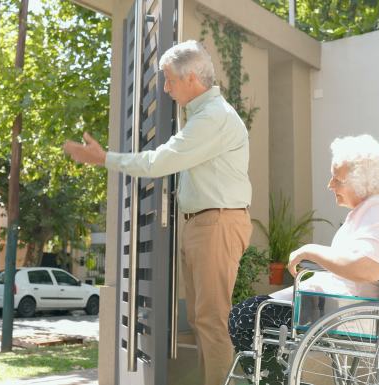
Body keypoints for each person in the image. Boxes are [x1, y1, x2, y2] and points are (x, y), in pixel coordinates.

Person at [63, 40, 252, 385]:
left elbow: (159, 162)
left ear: (191, 78)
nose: (165, 89)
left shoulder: (212, 118)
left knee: (210, 320)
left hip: (217, 223)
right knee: (200, 319)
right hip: (204, 223)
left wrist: (104, 159)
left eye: (169, 80)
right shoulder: (201, 115)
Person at [228, 134, 379, 385]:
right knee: (253, 312)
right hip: (356, 307)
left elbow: (369, 267)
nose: (330, 185)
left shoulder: (377, 208)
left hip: (346, 311)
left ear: (363, 182)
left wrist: (310, 251)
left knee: (245, 316)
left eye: (337, 180)